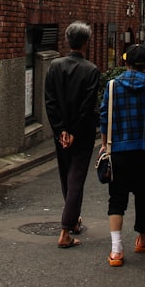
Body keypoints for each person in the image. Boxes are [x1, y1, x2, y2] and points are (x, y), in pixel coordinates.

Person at [99, 44, 145, 267]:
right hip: (143, 149)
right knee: (143, 195)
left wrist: (104, 144)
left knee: (116, 198)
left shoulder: (113, 85)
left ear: (126, 63)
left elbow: (104, 116)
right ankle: (142, 239)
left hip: (118, 150)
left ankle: (116, 250)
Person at [44, 21, 101, 249]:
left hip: (62, 133)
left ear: (68, 41)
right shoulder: (91, 70)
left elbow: (50, 101)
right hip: (83, 133)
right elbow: (88, 105)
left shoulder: (54, 66)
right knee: (76, 177)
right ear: (86, 43)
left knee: (66, 174)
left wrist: (61, 130)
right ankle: (66, 230)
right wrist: (75, 131)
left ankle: (73, 220)